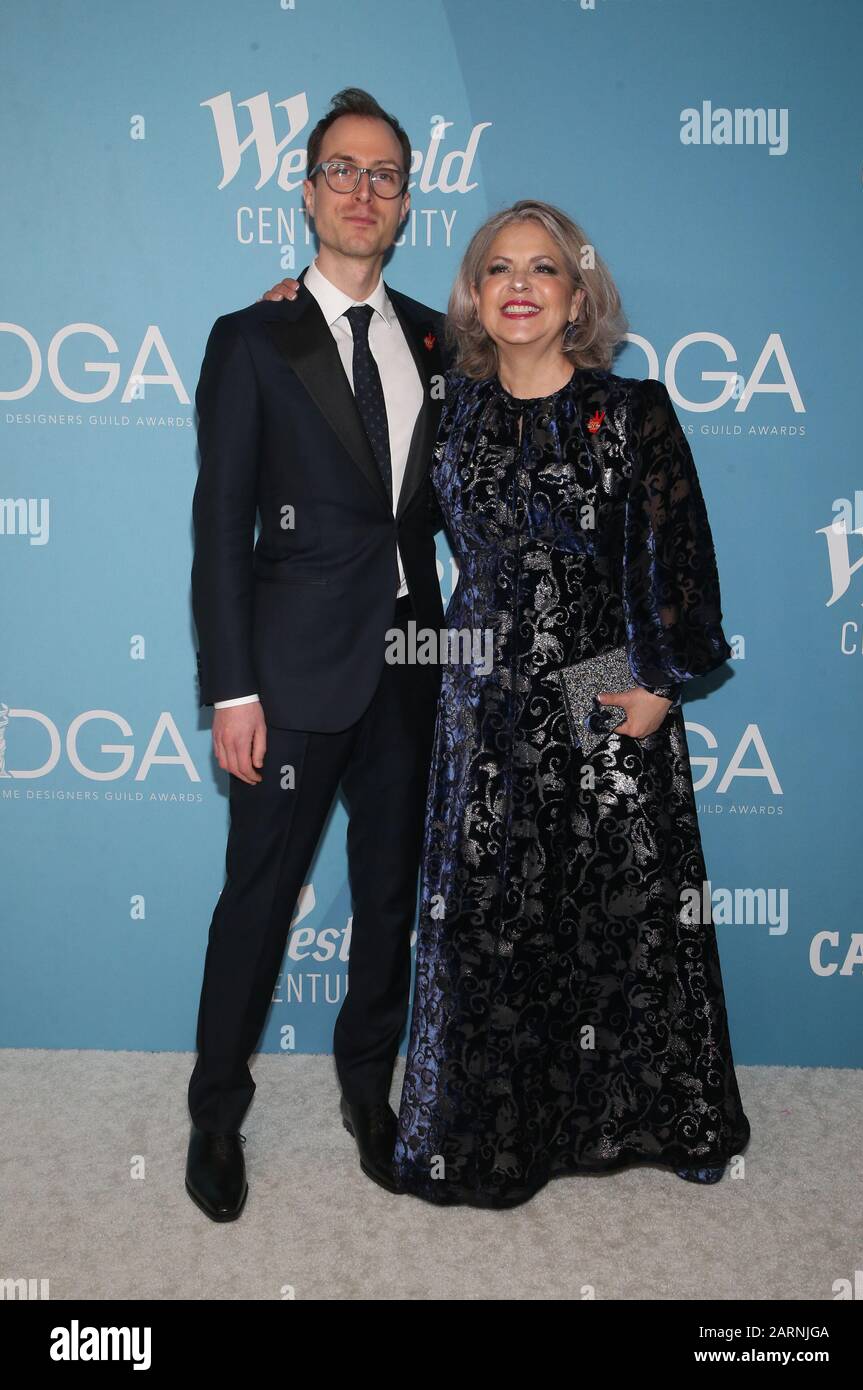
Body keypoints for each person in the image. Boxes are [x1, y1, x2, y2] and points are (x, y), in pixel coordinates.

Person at [265, 201, 752, 1209]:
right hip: (483, 690)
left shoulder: (634, 411)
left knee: (629, 913)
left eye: (544, 269)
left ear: (579, 296)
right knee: (493, 919)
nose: (521, 284)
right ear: (475, 297)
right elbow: (357, 402)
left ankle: (666, 1114)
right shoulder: (453, 406)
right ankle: (493, 1129)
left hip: (600, 682)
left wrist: (660, 682)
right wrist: (295, 311)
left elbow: (683, 560)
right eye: (499, 269)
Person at [185, 88, 448, 1221]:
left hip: (409, 667)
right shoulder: (253, 336)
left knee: (391, 897)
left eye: (384, 176)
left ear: (403, 207)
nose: (362, 191)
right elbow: (219, 526)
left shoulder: (443, 339)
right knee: (257, 898)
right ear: (305, 190)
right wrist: (230, 686)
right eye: (342, 170)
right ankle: (213, 1113)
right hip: (287, 678)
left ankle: (367, 1094)